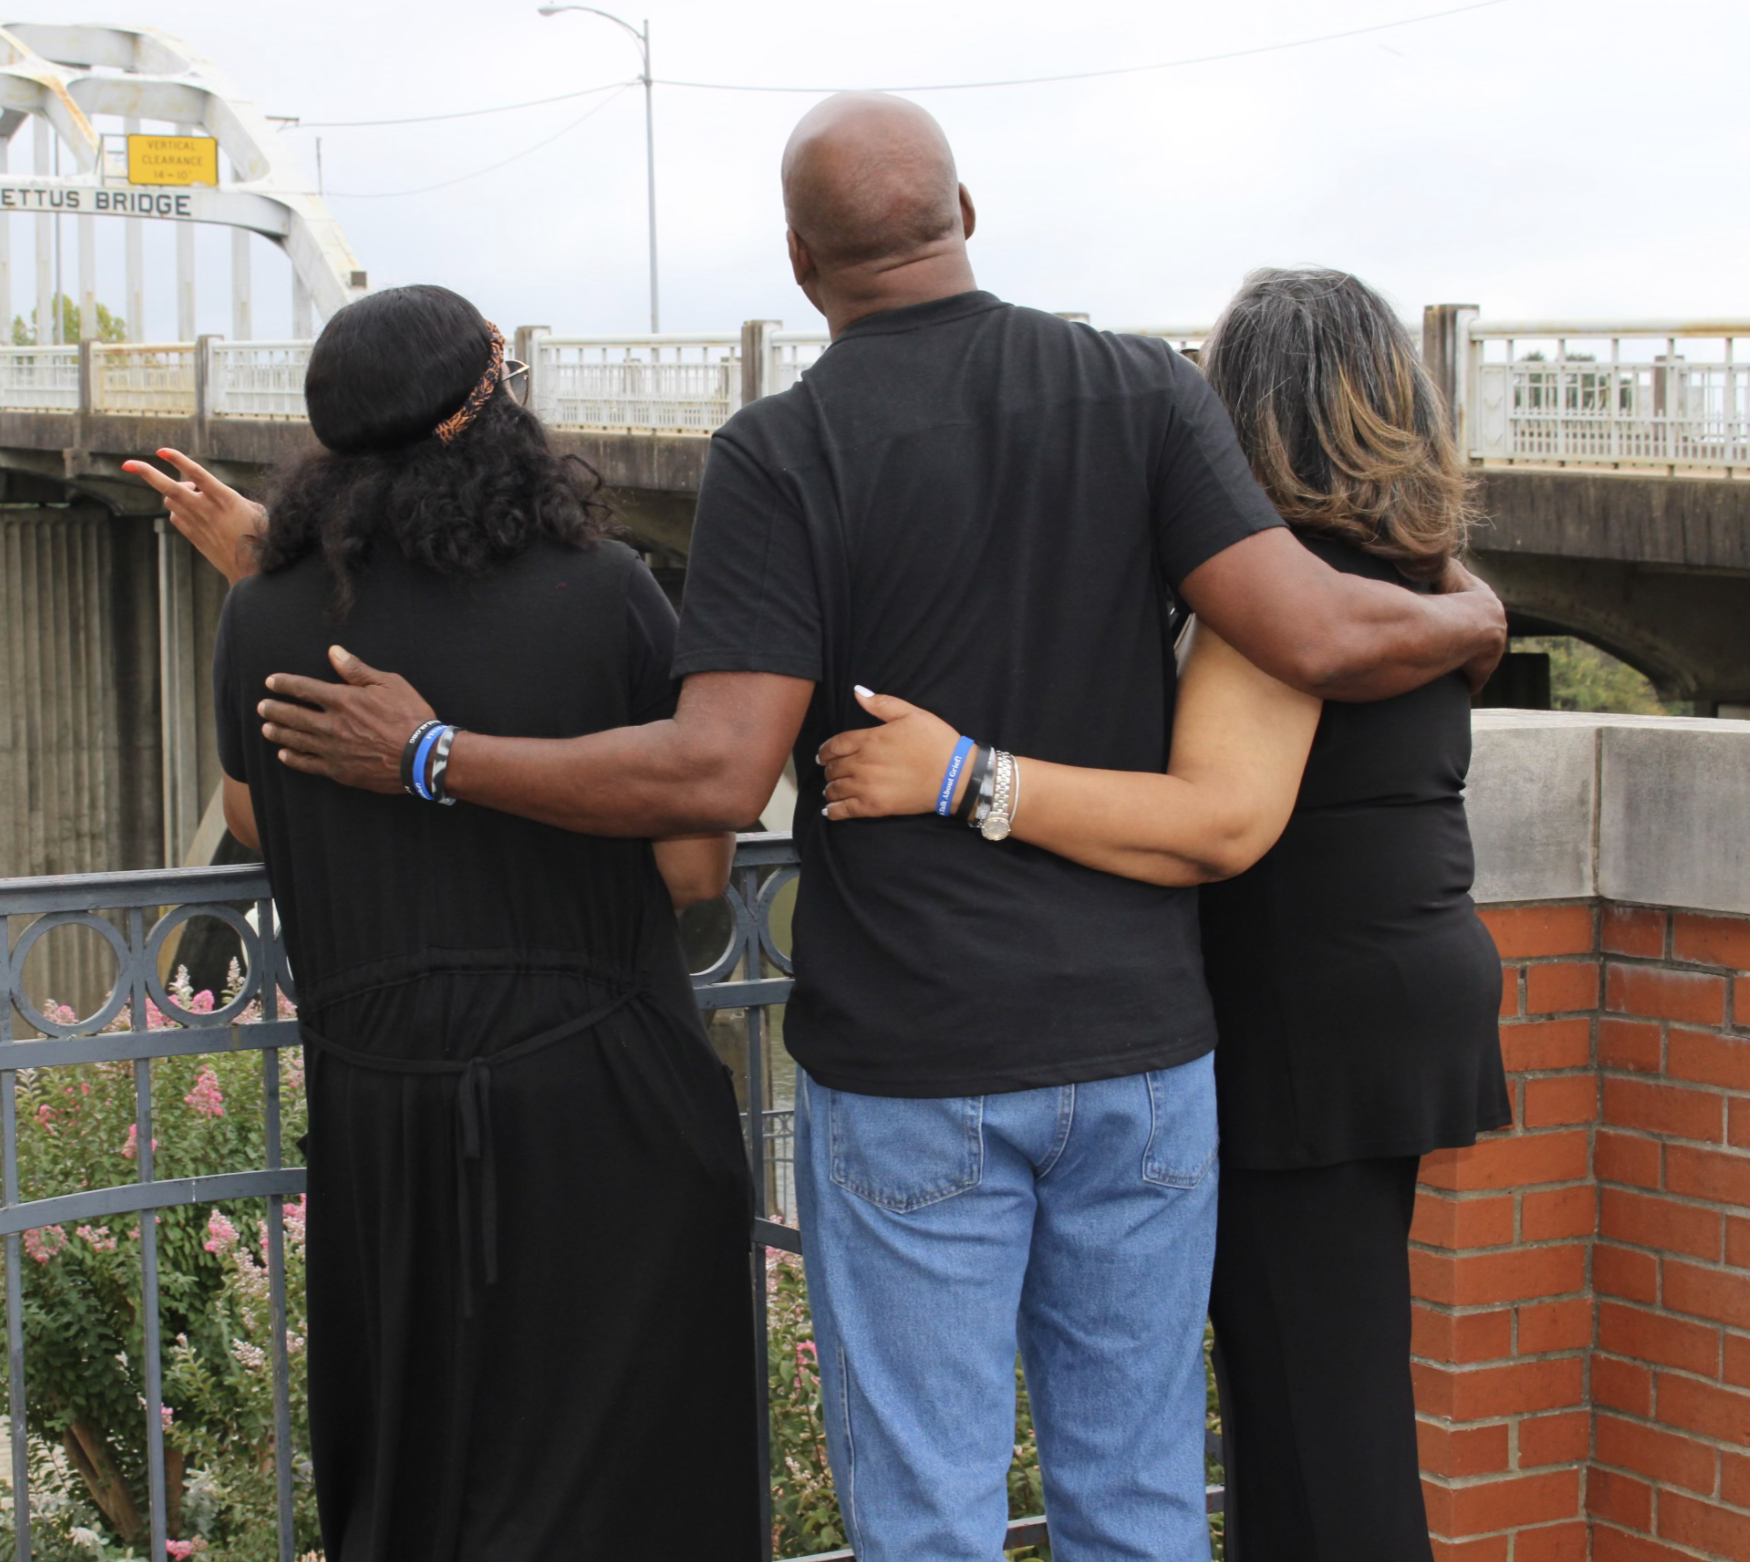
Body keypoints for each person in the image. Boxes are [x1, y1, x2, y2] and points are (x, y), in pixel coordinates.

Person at [248, 96, 1507, 1562]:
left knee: (930, 1519)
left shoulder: (782, 453)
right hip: (1144, 1055)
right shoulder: (1140, 392)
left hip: (915, 1058)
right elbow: (1314, 631)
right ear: (964, 214)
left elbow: (716, 772)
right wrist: (1467, 609)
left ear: (798, 263)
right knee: (1141, 1500)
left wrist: (431, 753)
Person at [818, 268, 1508, 1562]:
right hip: (1399, 995)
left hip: (1304, 1029)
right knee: (1329, 1392)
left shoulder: (1287, 602)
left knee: (1317, 1421)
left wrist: (970, 775)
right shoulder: (1410, 583)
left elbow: (1221, 821)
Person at [124, 285, 762, 1562]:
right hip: (601, 1093)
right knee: (635, 1480)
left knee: (422, 1476)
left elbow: (256, 816)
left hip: (383, 1108)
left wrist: (270, 574)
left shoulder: (263, 610)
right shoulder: (609, 594)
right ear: (493, 403)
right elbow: (693, 867)